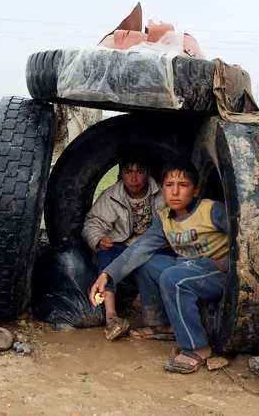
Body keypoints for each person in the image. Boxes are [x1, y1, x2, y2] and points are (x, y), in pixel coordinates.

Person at [89, 160, 228, 374]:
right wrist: (106, 275)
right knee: (148, 261)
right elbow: (139, 249)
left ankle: (197, 347)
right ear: (162, 189)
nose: (174, 192)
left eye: (182, 185)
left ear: (196, 189)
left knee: (173, 278)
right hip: (186, 267)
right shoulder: (164, 219)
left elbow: (246, 235)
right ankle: (162, 324)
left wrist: (226, 264)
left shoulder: (212, 210)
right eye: (169, 185)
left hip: (216, 273)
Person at [82, 153, 167, 340]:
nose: (134, 178)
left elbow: (172, 224)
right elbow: (92, 223)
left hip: (151, 246)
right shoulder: (111, 195)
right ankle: (111, 316)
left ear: (148, 173)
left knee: (156, 260)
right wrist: (99, 238)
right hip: (122, 246)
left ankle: (146, 305)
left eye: (140, 171)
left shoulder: (161, 193)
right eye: (128, 172)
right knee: (106, 254)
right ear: (121, 173)